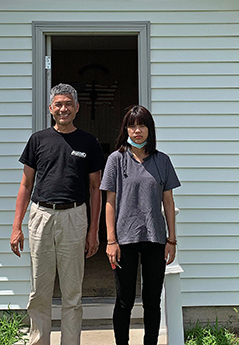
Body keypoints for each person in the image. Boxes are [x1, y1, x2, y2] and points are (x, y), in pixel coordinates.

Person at [10, 83, 105, 345]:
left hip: (75, 217)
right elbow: (25, 185)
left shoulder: (88, 142)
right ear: (51, 108)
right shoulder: (38, 140)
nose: (63, 109)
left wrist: (93, 231)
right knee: (40, 289)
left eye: (68, 104)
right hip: (41, 216)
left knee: (72, 292)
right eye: (58, 104)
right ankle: (39, 341)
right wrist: (17, 226)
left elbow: (95, 188)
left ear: (76, 108)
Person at [100, 105, 181, 345]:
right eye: (132, 126)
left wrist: (172, 239)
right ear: (126, 129)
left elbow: (168, 201)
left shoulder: (162, 161)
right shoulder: (116, 160)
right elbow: (110, 202)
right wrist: (111, 241)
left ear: (149, 129)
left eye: (142, 125)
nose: (137, 131)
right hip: (123, 240)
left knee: (152, 300)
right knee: (124, 300)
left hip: (155, 239)